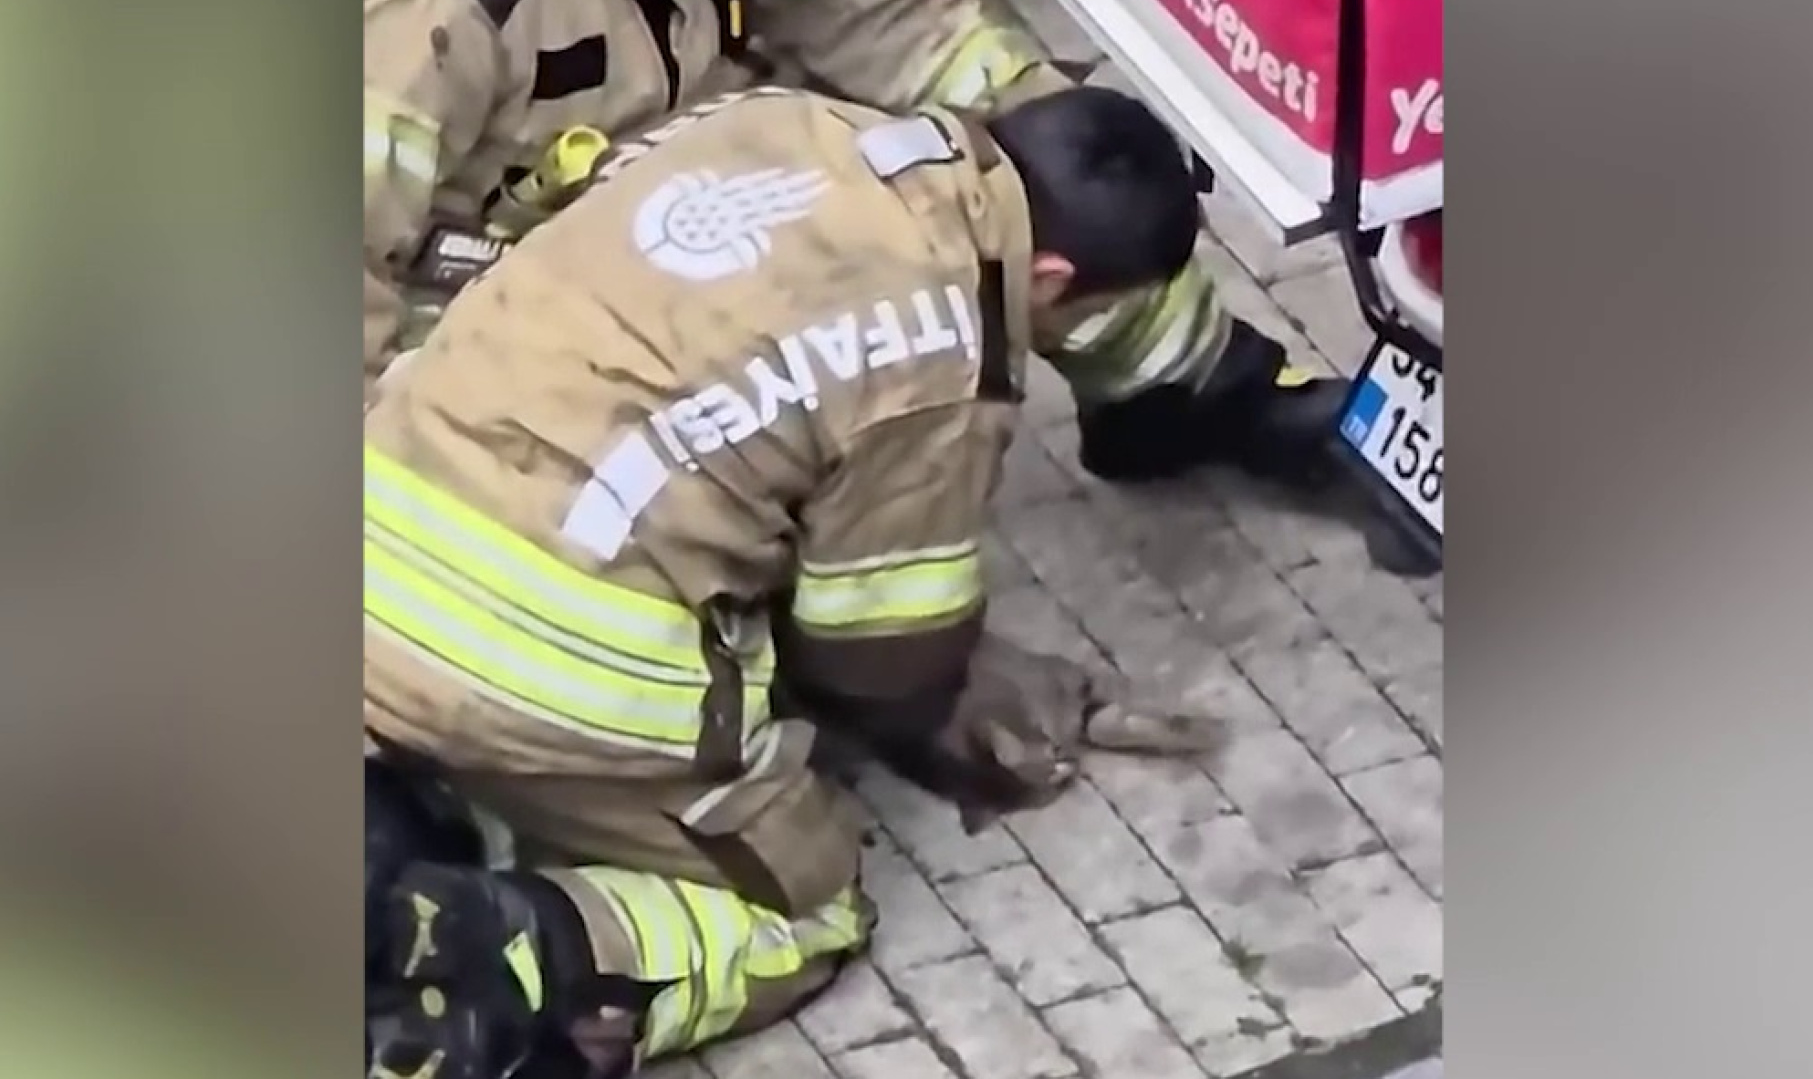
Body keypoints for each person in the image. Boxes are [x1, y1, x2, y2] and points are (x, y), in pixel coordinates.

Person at [363, 84, 1201, 1076]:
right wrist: (959, 721)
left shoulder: (774, 118)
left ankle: (371, 830)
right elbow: (873, 656)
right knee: (804, 908)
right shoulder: (948, 354)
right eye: (1091, 314)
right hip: (541, 662)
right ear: (1053, 276)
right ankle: (498, 956)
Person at [364, 0, 1352, 507]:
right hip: (457, 304)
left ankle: (1177, 388)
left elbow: (890, 23)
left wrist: (1039, 133)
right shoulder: (420, 28)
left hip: (674, 172)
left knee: (1047, 162)